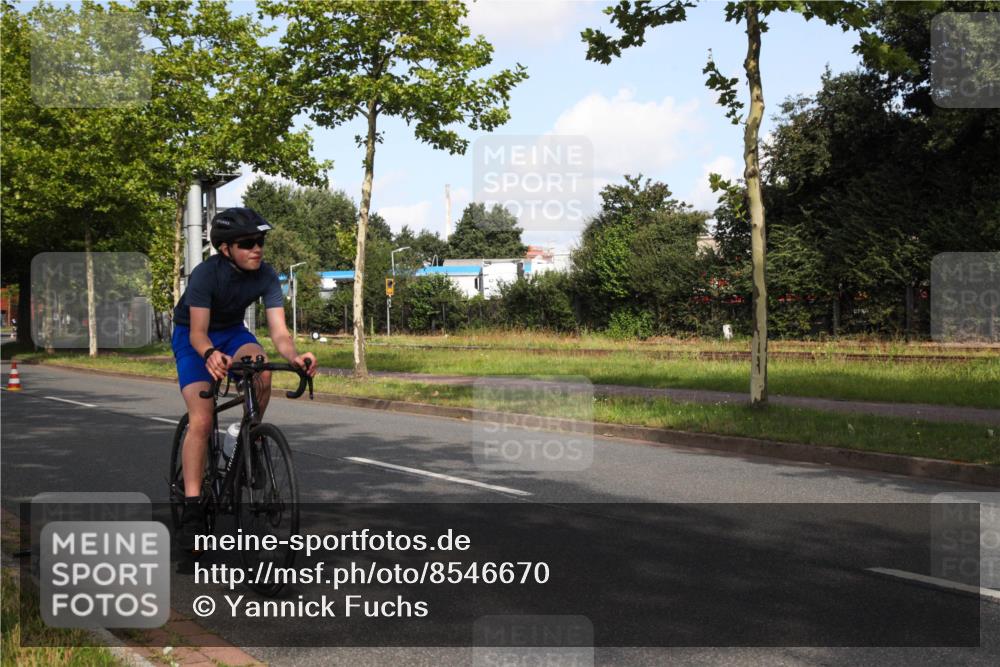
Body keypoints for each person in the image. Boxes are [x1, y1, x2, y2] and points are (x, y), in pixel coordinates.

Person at [171, 207, 317, 552]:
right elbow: (198, 333)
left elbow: (279, 332)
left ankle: (250, 435)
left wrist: (294, 357)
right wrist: (210, 354)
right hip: (194, 338)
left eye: (260, 241)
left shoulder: (266, 275)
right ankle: (193, 508)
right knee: (202, 419)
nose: (257, 248)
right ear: (225, 249)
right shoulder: (206, 275)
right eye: (248, 243)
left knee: (261, 367)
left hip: (233, 333)